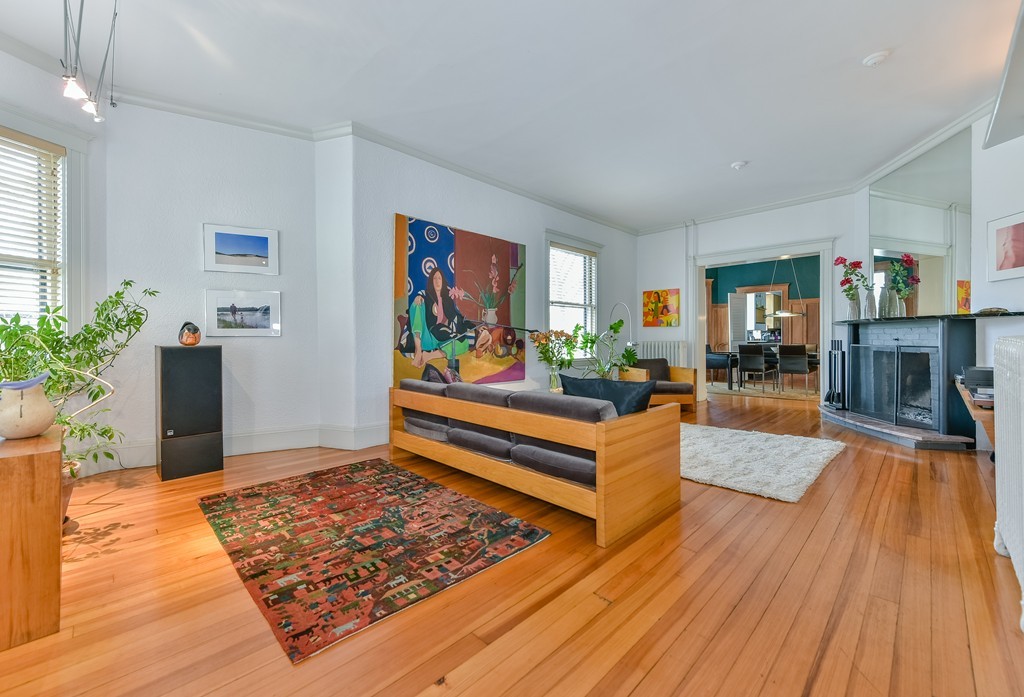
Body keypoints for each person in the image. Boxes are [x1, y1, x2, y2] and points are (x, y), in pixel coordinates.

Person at [402, 267, 491, 368]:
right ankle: (418, 350)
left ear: (443, 281)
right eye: (434, 278)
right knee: (417, 304)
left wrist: (476, 327)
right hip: (427, 336)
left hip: (443, 337)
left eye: (439, 278)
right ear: (431, 281)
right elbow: (420, 299)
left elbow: (460, 318)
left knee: (464, 343)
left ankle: (428, 356)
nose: (437, 281)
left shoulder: (448, 300)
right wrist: (419, 297)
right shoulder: (425, 295)